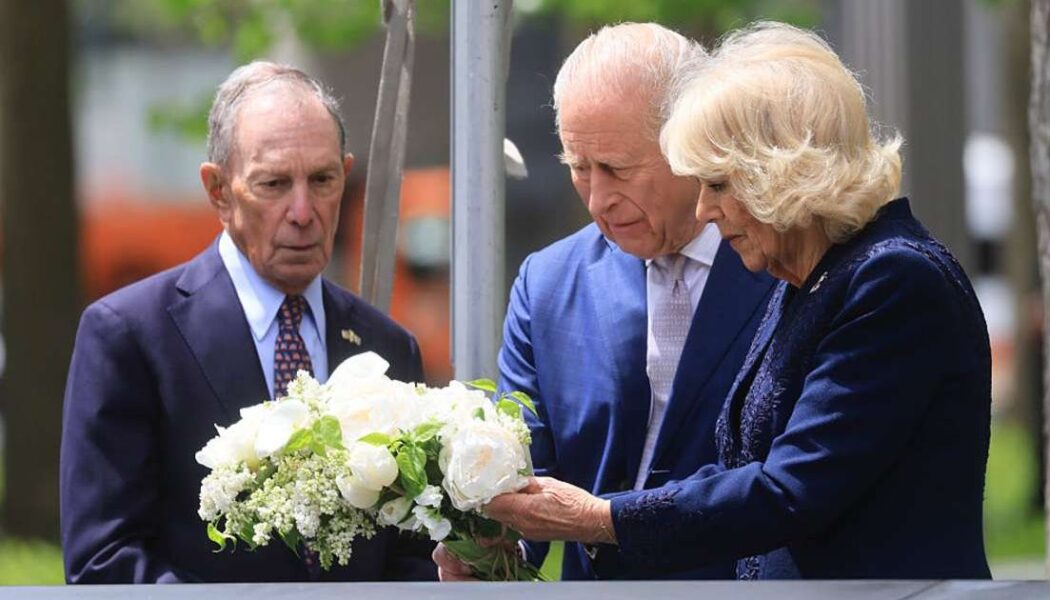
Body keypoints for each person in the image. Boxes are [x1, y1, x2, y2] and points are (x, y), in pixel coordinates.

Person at [480, 21, 992, 580]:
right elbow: (738, 469)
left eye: (718, 184)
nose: (704, 210)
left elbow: (791, 488)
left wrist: (602, 517)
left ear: (786, 169)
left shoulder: (891, 279)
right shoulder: (808, 278)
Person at [60, 61, 436, 583]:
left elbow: (412, 555)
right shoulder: (129, 336)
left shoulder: (387, 347)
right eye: (275, 184)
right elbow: (106, 562)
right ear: (218, 191)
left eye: (323, 180)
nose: (303, 211)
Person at [435, 23, 774, 581]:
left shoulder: (782, 264)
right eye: (578, 167)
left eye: (616, 169)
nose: (597, 200)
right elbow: (523, 473)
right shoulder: (548, 284)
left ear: (692, 140)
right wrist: (492, 555)